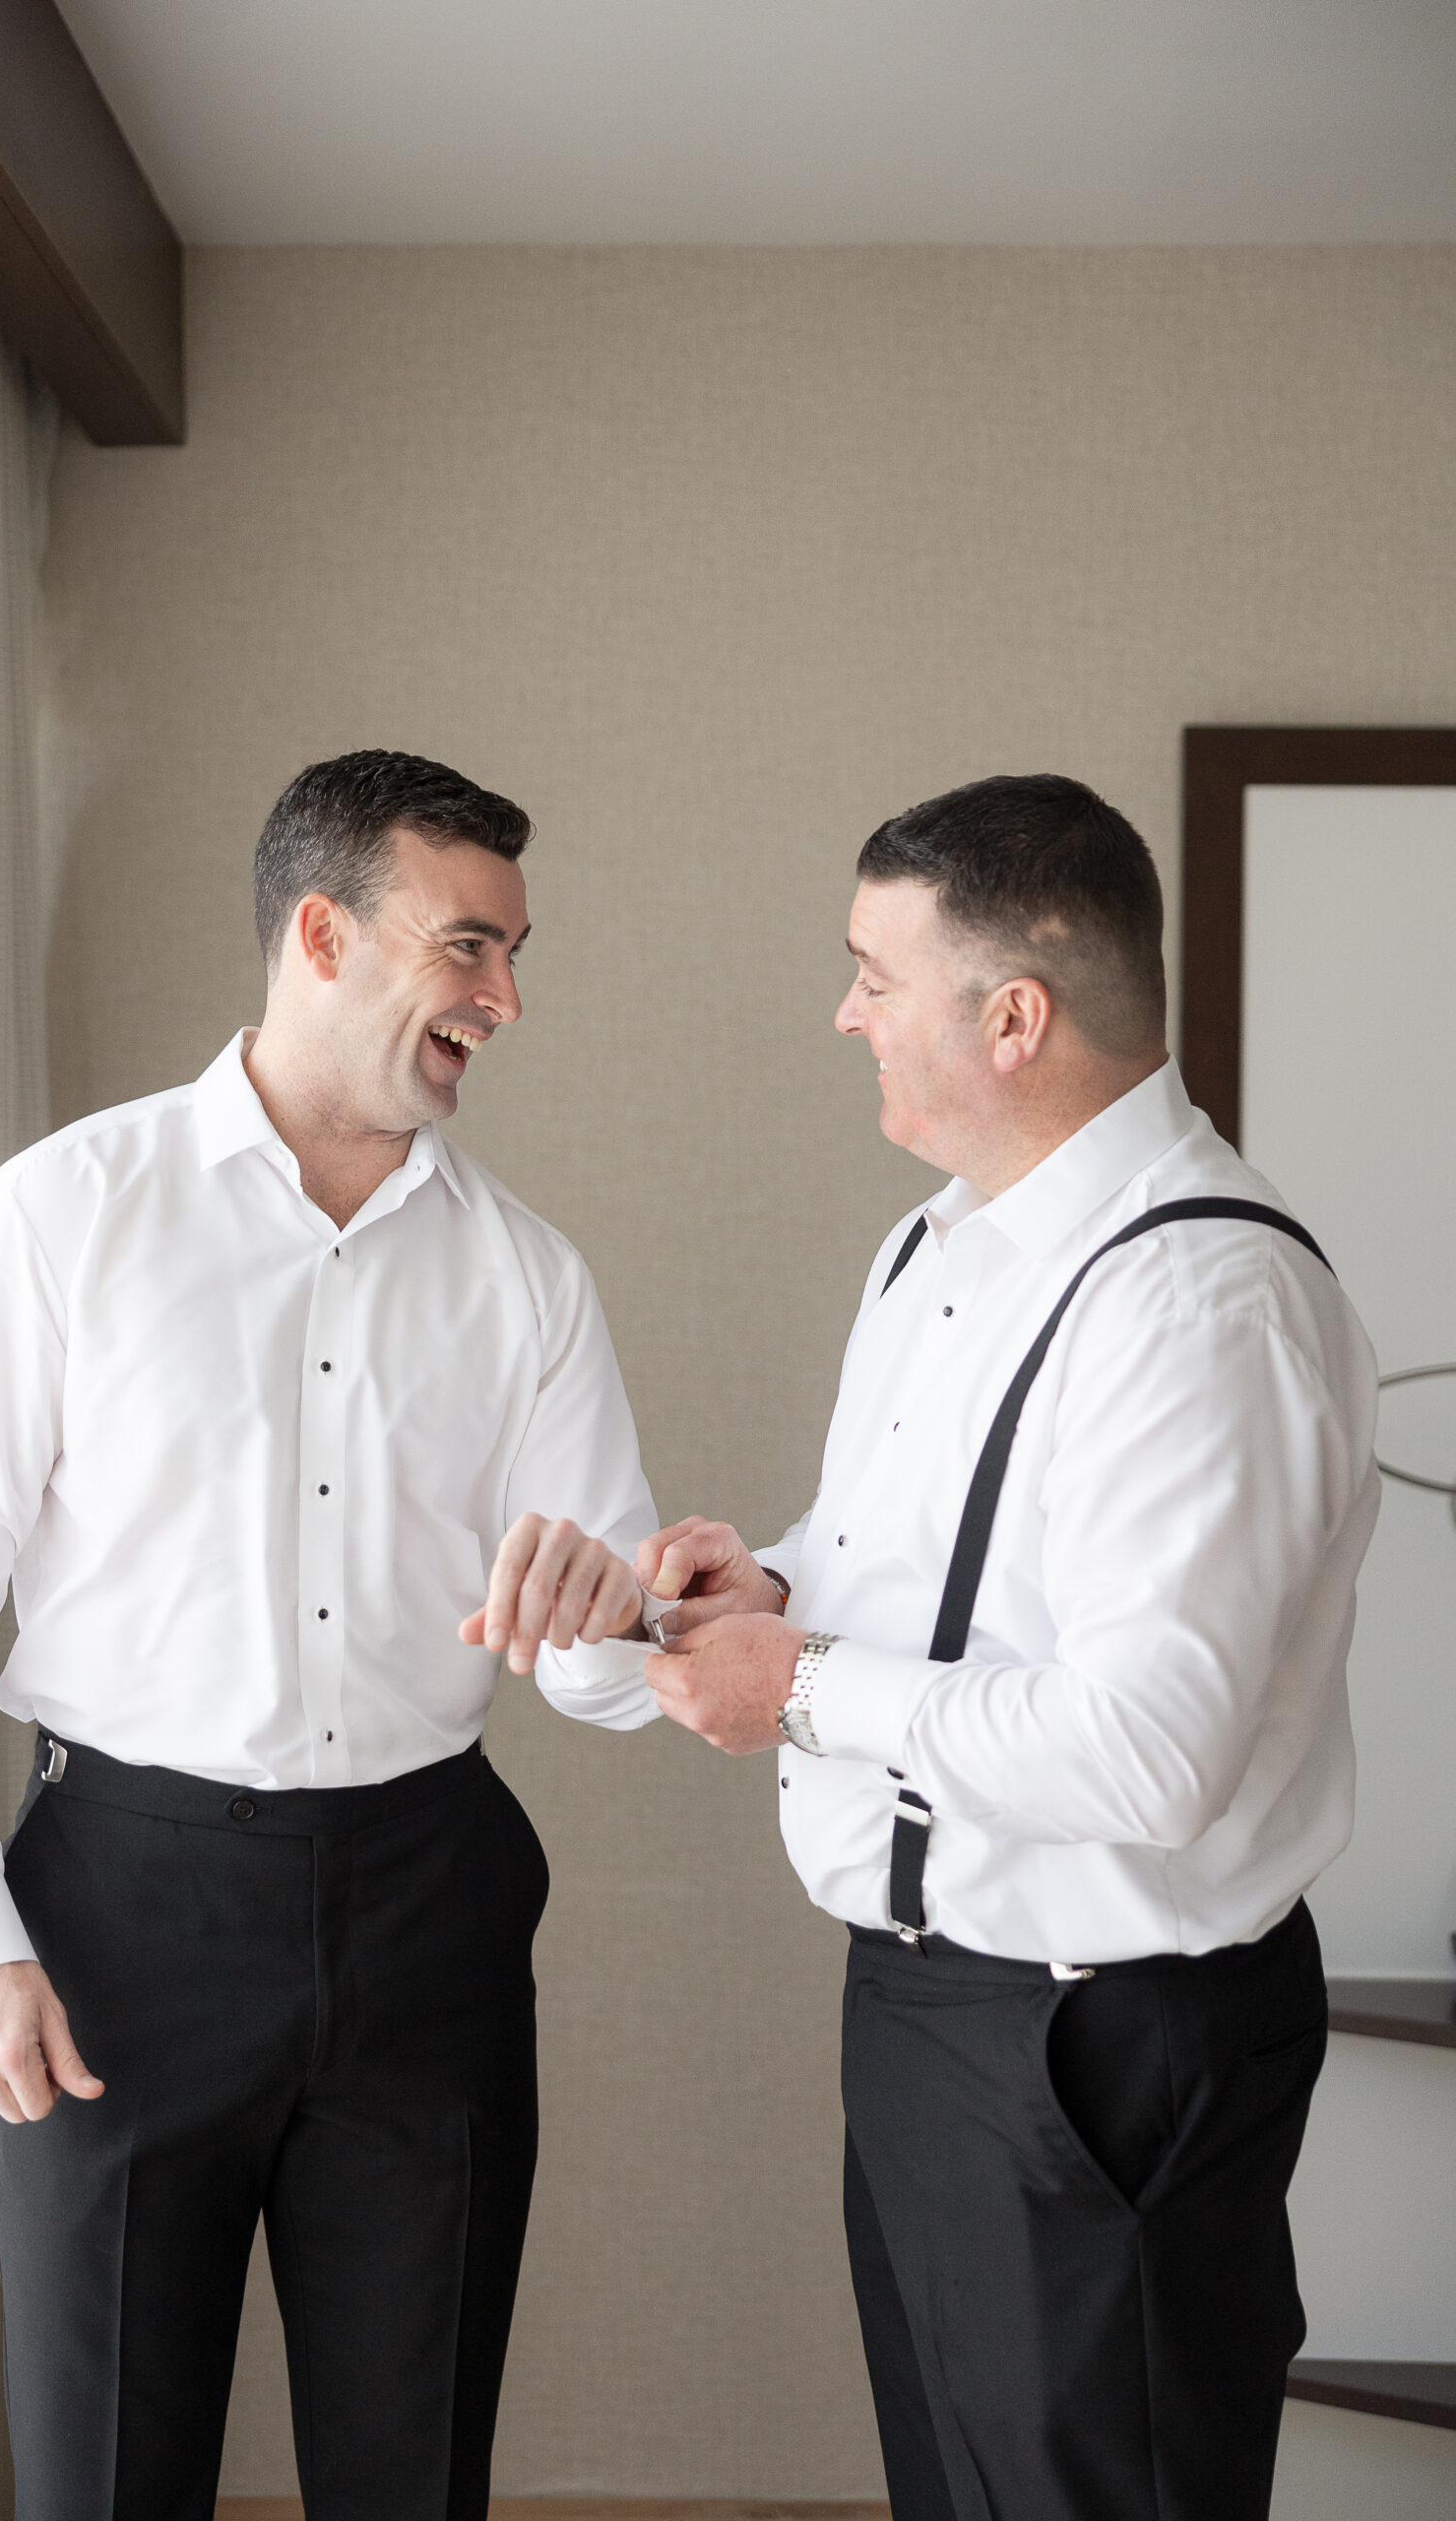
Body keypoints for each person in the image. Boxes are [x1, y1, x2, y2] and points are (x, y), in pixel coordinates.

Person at [0, 749, 668, 2521]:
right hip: (118, 1921)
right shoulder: (65, 1214)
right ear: (321, 933)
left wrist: (620, 1612)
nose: (504, 1001)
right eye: (469, 949)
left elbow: (600, 1672)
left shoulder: (530, 1276)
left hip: (427, 1904)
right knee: (105, 2475)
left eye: (515, 956)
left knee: (412, 2469)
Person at [636, 774, 1377, 2521]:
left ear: (1015, 1016)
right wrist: (772, 1586)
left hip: (1098, 2050)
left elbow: (1146, 1750)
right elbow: (923, 1570)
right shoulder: (935, 1246)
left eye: (873, 974)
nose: (847, 1014)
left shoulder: (1199, 1302)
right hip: (928, 2013)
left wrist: (800, 1693)